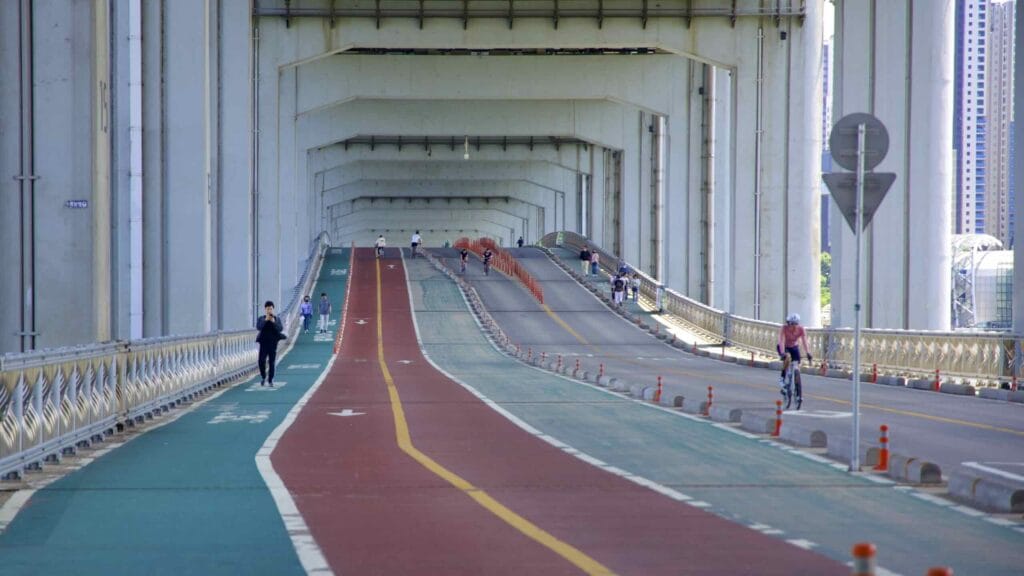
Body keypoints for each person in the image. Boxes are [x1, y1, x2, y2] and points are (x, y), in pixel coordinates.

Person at [777, 313, 812, 410]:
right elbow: (781, 340)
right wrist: (783, 353)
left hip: (794, 347)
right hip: (784, 347)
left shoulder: (801, 329)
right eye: (790, 324)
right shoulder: (784, 328)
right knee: (787, 358)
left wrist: (808, 352)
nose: (792, 326)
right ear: (788, 323)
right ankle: (782, 378)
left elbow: (804, 341)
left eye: (794, 324)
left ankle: (797, 385)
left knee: (797, 364)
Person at [256, 300, 286, 387]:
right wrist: (266, 320)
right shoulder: (261, 318)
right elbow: (258, 327)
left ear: (273, 309)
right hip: (263, 343)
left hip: (273, 343)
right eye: (268, 309)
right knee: (261, 361)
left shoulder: (276, 319)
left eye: (271, 309)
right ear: (265, 309)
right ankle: (263, 376)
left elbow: (280, 329)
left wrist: (274, 322)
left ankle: (270, 379)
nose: (269, 310)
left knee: (272, 362)